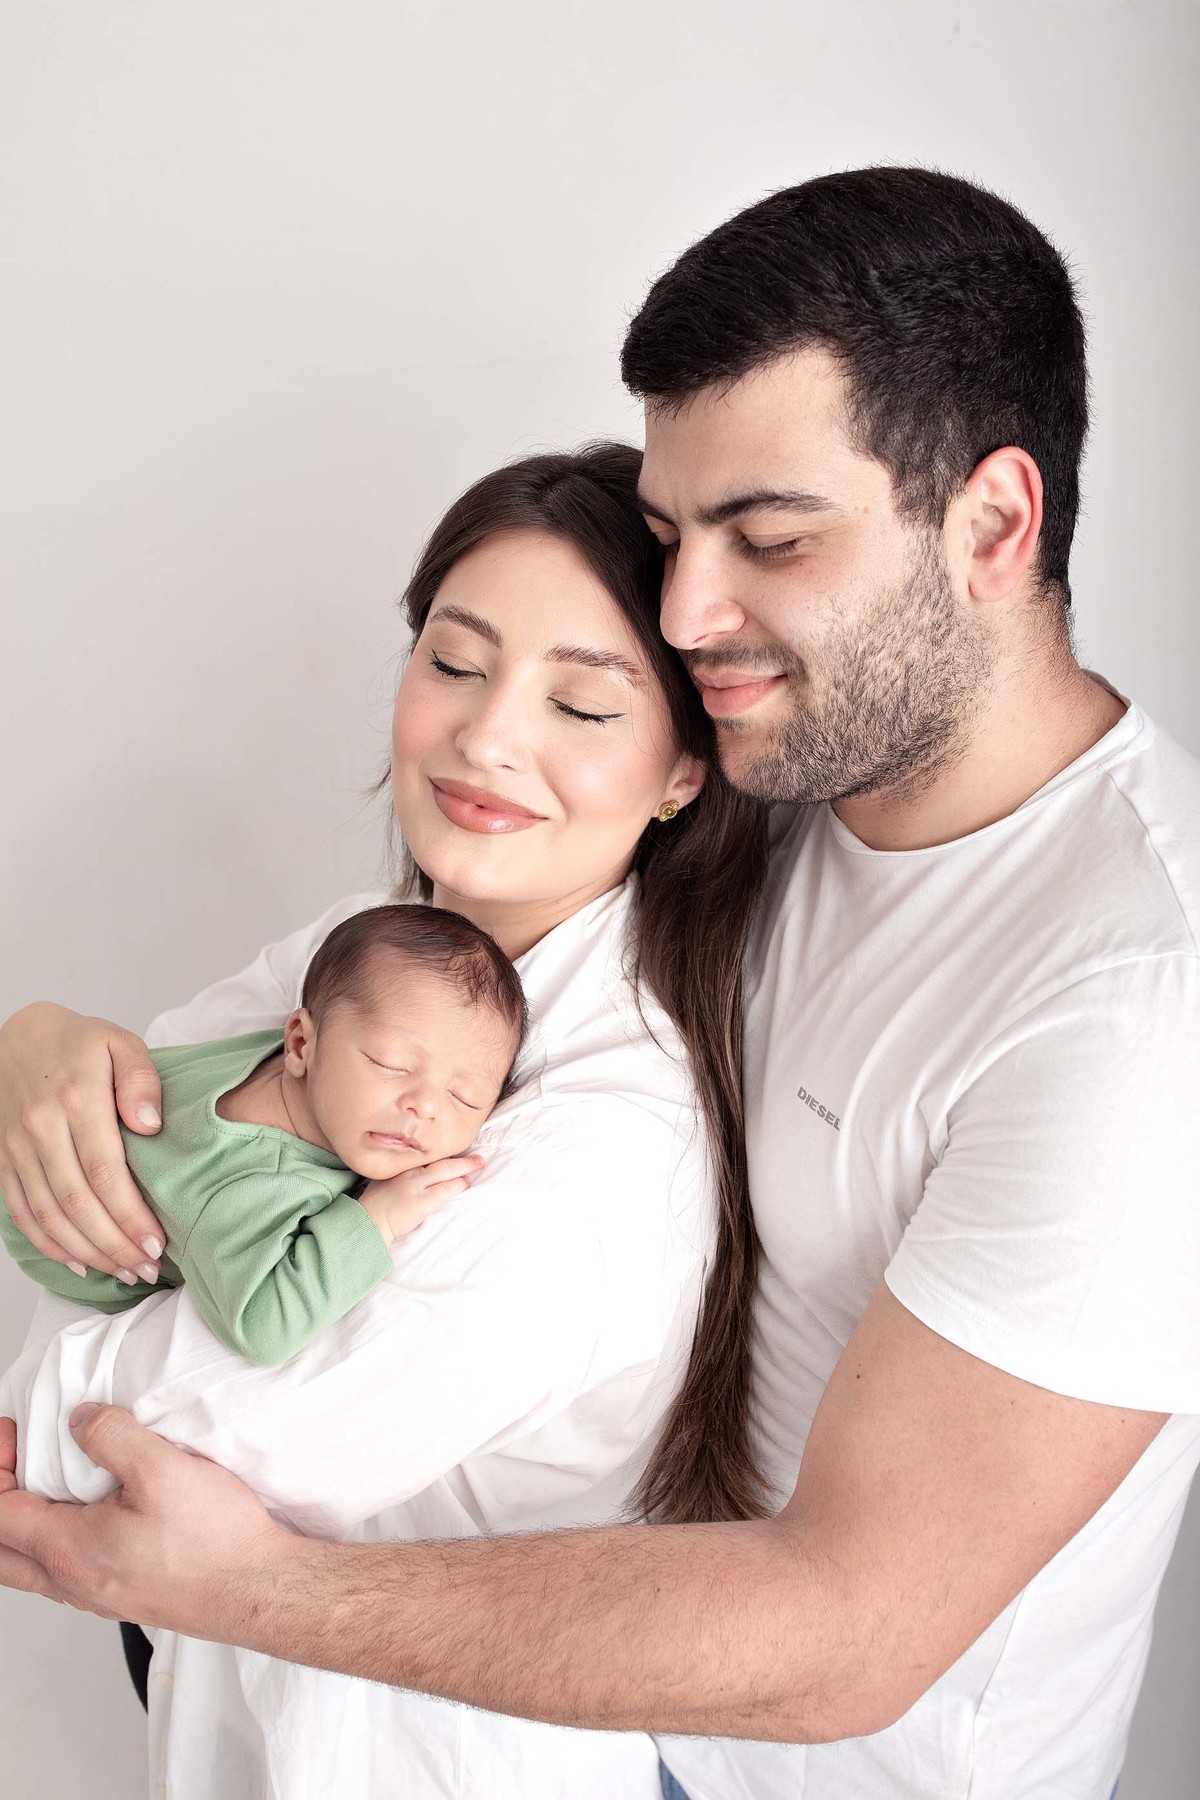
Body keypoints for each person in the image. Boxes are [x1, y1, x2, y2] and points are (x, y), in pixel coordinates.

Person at [3, 165, 1199, 1800]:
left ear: (992, 524)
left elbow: (849, 1630)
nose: (691, 616)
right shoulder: (781, 780)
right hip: (562, 1700)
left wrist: (244, 1586)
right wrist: (53, 1051)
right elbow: (242, 1056)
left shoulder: (1137, 1008)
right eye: (672, 537)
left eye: (768, 538)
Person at [0, 442, 770, 1800]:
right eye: (455, 662)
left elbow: (131, 1429)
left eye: (582, 704)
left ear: (682, 773)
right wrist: (37, 1050)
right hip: (228, 1701)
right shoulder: (356, 947)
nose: (487, 738)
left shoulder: (609, 1143)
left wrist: (51, 1370)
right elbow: (105, 1160)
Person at [0, 904, 528, 1368]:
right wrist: (377, 1219)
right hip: (49, 1215)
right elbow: (262, 1328)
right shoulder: (256, 1183)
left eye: (465, 1096)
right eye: (391, 1063)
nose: (426, 1106)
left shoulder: (307, 1074)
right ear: (300, 1043)